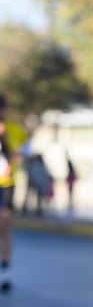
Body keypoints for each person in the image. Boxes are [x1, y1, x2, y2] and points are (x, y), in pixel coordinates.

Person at [0, 94, 28, 292]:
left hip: (8, 184)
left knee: (4, 226)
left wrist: (16, 156)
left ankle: (5, 271)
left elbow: (25, 148)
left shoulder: (13, 129)